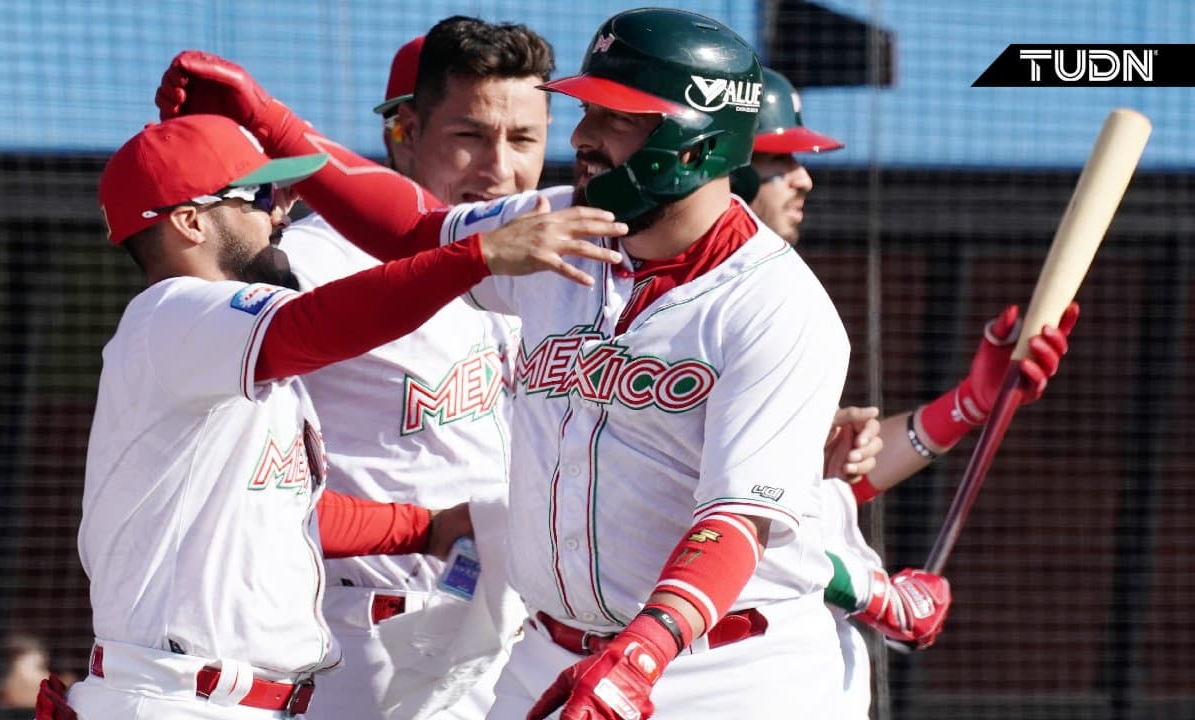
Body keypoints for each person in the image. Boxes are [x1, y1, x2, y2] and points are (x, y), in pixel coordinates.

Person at [156, 7, 857, 718]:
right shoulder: (564, 222)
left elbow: (734, 523)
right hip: (544, 649)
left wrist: (640, 656)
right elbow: (413, 232)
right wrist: (271, 122)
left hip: (726, 669)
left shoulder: (775, 305)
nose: (582, 137)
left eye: (617, 118)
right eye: (588, 111)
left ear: (691, 142)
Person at [62, 113, 623, 720]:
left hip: (231, 697)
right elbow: (317, 324)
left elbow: (283, 511)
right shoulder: (170, 314)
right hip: (176, 698)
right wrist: (478, 255)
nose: (281, 214)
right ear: (189, 220)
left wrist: (422, 528)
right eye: (260, 197)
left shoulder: (218, 361)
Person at [735, 69, 1077, 718]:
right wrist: (872, 591)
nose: (804, 178)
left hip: (792, 668)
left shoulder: (777, 289)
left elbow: (813, 490)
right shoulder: (661, 299)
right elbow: (713, 512)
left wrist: (968, 405)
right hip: (702, 665)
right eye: (779, 160)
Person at [278, 16, 555, 720]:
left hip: (514, 637)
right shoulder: (311, 263)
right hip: (367, 637)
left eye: (523, 139)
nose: (500, 168)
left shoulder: (551, 270)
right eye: (470, 136)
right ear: (403, 129)